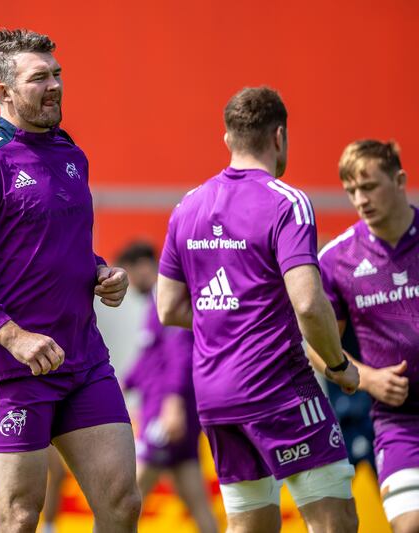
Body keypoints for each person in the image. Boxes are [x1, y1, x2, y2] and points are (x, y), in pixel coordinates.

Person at [0, 29, 141, 532]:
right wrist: (12, 335)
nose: (55, 86)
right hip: (10, 366)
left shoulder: (70, 153)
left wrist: (99, 272)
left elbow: (47, 244)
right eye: (39, 77)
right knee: (19, 515)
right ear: (4, 92)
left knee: (123, 502)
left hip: (82, 360)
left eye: (57, 74)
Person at [156, 86, 360, 533]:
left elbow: (168, 308)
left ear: (227, 139)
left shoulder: (187, 206)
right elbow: (307, 302)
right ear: (280, 137)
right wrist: (339, 363)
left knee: (251, 525)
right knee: (335, 521)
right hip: (277, 389)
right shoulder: (287, 202)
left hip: (214, 395)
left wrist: (231, 313)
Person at [310, 139, 419, 532]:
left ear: (400, 180)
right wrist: (368, 379)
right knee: (408, 526)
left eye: (369, 186)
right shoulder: (337, 259)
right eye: (351, 190)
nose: (360, 199)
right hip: (399, 423)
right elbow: (319, 348)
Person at [118, 241, 217, 533]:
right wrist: (122, 385)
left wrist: (172, 404)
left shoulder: (167, 297)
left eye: (128, 274)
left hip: (166, 410)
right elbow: (151, 358)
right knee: (195, 497)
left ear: (143, 267)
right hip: (170, 407)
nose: (127, 282)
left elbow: (180, 353)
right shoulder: (154, 302)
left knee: (126, 495)